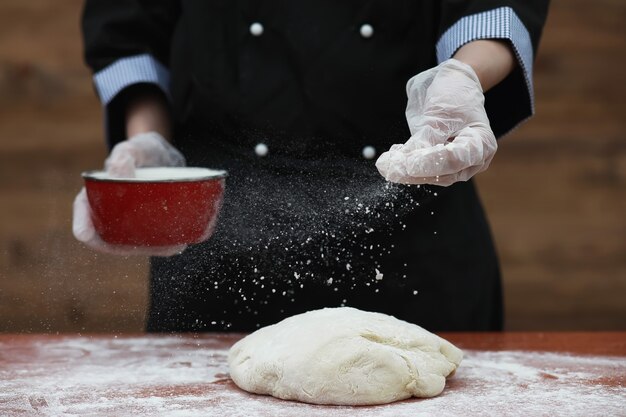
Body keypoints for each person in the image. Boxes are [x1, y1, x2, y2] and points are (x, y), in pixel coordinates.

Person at [75, 1, 549, 332]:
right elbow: (129, 25)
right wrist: (146, 141)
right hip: (219, 253)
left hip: (417, 237)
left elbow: (491, 6)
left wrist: (462, 77)